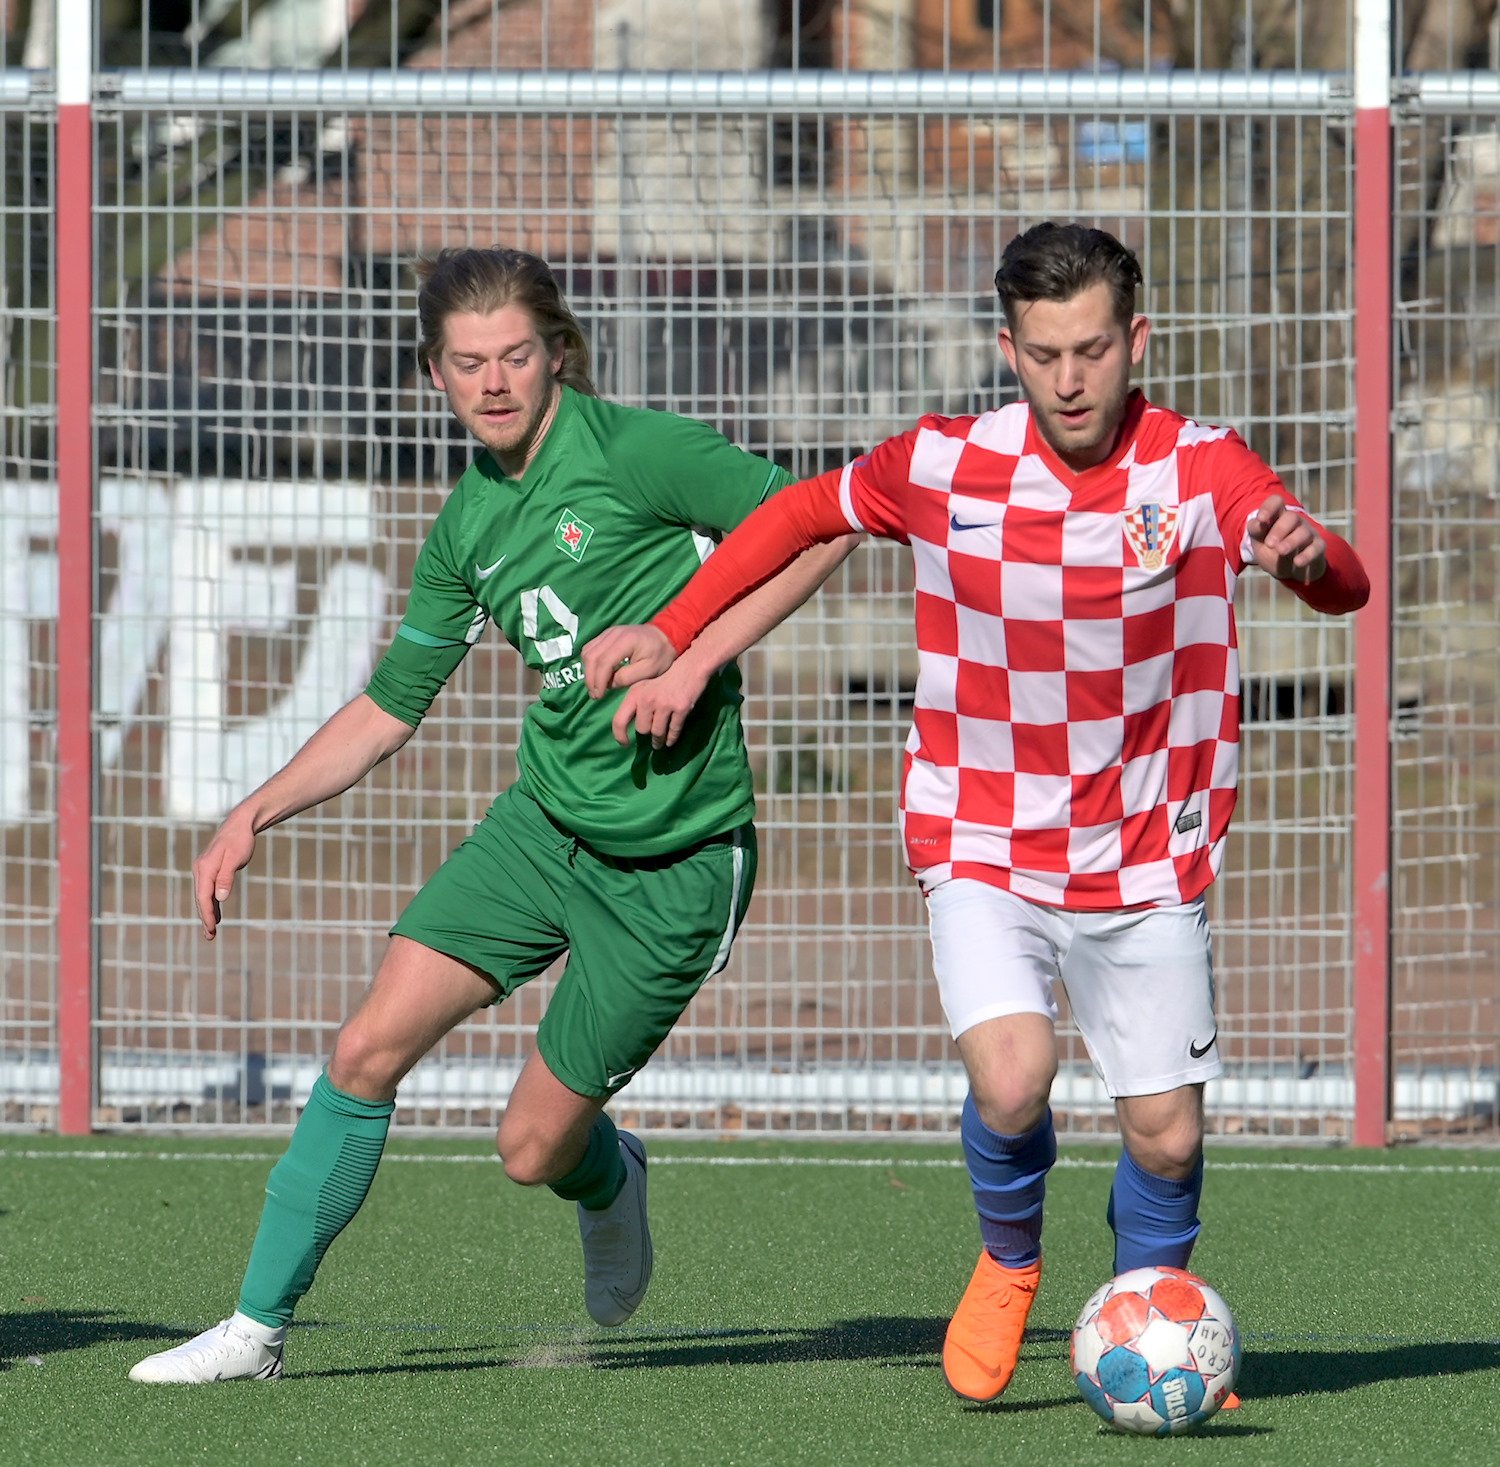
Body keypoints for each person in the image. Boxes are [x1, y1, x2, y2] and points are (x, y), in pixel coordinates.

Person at [581, 222, 1370, 1406]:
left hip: (1146, 850)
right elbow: (801, 517)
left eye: (1092, 350)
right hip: (981, 835)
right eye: (1044, 354)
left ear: (1137, 342)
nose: (1069, 379)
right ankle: (1009, 1262)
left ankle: (1147, 1313)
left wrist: (1308, 559)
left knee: (1166, 1136)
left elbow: (1346, 585)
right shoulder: (946, 463)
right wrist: (676, 632)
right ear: (1009, 350)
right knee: (1011, 1080)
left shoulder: (1202, 469)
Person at [128, 246, 857, 1383]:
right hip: (543, 829)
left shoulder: (636, 452)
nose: (495, 382)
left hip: (673, 862)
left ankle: (609, 1176)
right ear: (435, 375)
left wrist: (688, 652)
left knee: (529, 1150)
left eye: (516, 354)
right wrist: (250, 814)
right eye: (468, 363)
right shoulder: (468, 523)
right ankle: (254, 1331)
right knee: (366, 1047)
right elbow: (388, 707)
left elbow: (824, 523)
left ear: (557, 352)